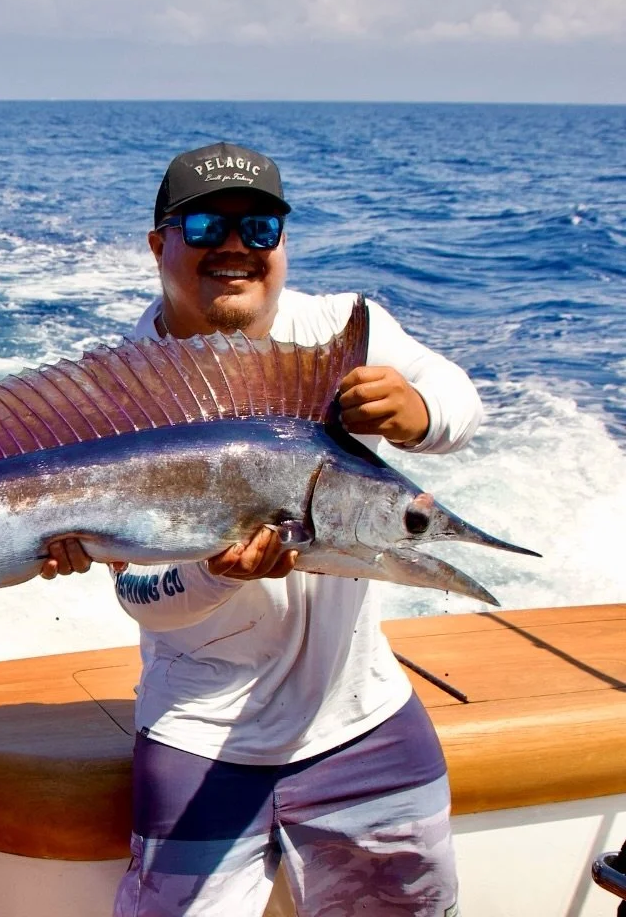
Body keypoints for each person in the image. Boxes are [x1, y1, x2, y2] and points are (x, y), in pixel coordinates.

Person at [109, 142, 479, 917]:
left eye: (262, 227)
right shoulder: (124, 388)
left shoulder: (344, 329)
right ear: (158, 245)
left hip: (365, 722)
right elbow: (141, 594)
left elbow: (457, 396)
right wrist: (215, 572)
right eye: (207, 225)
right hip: (201, 738)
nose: (236, 246)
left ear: (284, 243)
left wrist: (419, 414)